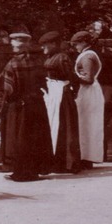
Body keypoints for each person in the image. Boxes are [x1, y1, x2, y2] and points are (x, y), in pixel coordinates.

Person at [0, 31, 53, 182]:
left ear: (18, 46)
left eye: (14, 46)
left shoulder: (12, 64)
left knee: (19, 137)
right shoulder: (38, 61)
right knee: (36, 136)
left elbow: (9, 90)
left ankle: (21, 172)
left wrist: (7, 102)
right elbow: (43, 82)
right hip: (36, 103)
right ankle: (35, 170)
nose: (12, 47)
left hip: (19, 105)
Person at [40, 31, 82, 173]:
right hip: (53, 92)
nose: (43, 48)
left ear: (54, 44)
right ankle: (56, 159)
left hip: (62, 94)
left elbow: (72, 77)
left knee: (65, 126)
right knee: (55, 125)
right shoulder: (51, 56)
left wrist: (71, 92)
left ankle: (68, 162)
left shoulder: (62, 58)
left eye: (45, 45)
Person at [72, 30, 106, 168]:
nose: (75, 47)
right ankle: (86, 157)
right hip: (88, 93)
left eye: (77, 44)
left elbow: (88, 79)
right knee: (86, 125)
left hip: (89, 93)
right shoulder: (88, 54)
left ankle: (87, 158)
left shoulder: (87, 56)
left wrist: (71, 77)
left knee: (88, 125)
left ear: (84, 42)